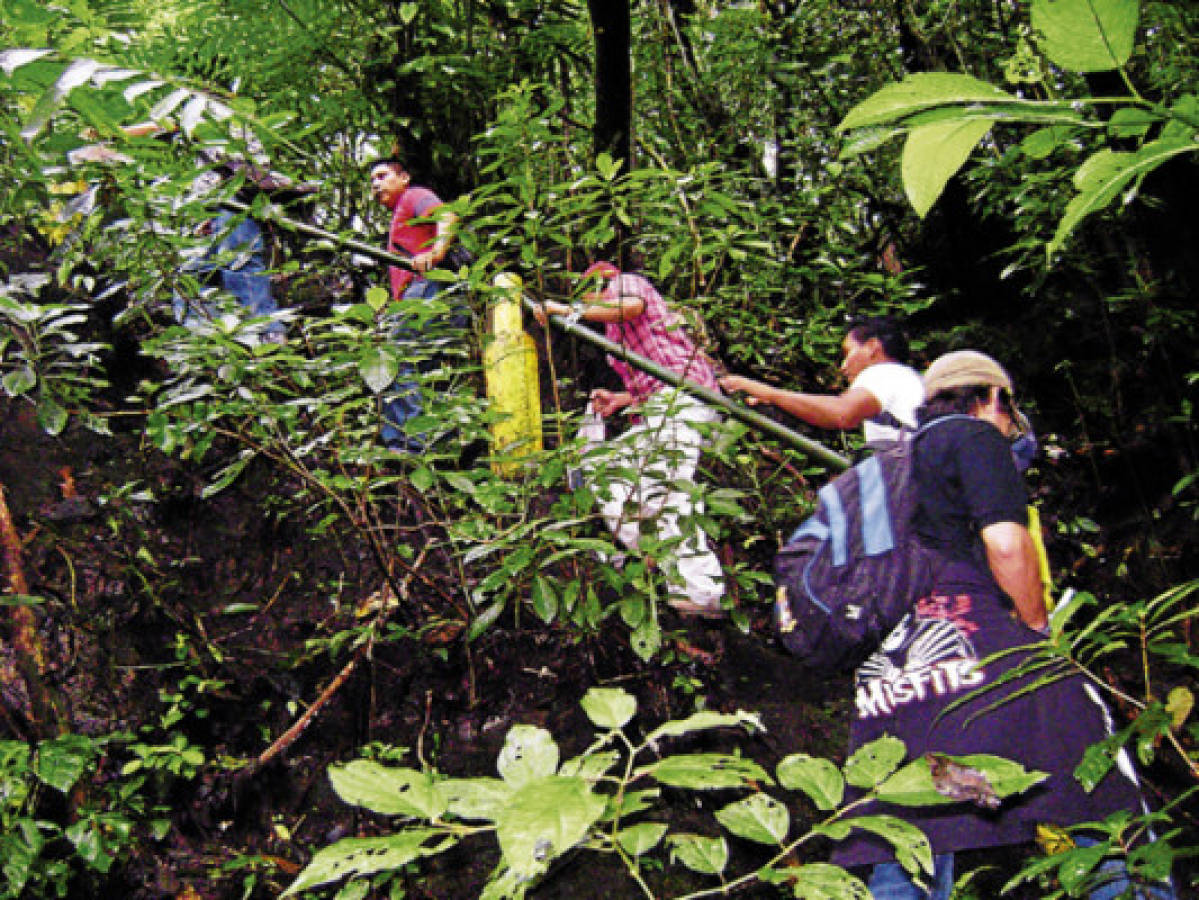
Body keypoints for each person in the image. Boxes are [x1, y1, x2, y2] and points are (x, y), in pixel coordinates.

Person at [833, 350, 1169, 899]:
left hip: (892, 683)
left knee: (906, 835)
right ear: (991, 397)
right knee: (1103, 803)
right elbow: (1007, 545)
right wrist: (1037, 631)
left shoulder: (872, 473)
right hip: (987, 655)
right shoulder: (973, 435)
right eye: (1011, 415)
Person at [533, 262, 725, 617]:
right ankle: (650, 552)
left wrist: (572, 310)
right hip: (661, 407)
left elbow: (631, 306)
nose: (587, 298)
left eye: (589, 291)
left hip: (683, 399)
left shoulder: (627, 285)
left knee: (667, 489)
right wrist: (620, 400)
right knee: (604, 470)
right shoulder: (613, 329)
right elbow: (650, 383)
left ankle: (703, 592)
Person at [367, 157, 462, 452]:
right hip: (427, 292)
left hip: (427, 287)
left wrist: (434, 253)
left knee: (394, 360)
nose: (376, 185)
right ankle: (439, 443)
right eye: (372, 180)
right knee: (429, 366)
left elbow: (447, 217)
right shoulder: (401, 216)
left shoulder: (414, 196)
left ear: (404, 177)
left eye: (382, 176)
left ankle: (409, 444)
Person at [719, 316, 923, 445]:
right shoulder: (910, 381)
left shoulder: (885, 372)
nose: (843, 366)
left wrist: (765, 392)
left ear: (871, 347)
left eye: (847, 352)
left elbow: (841, 414)